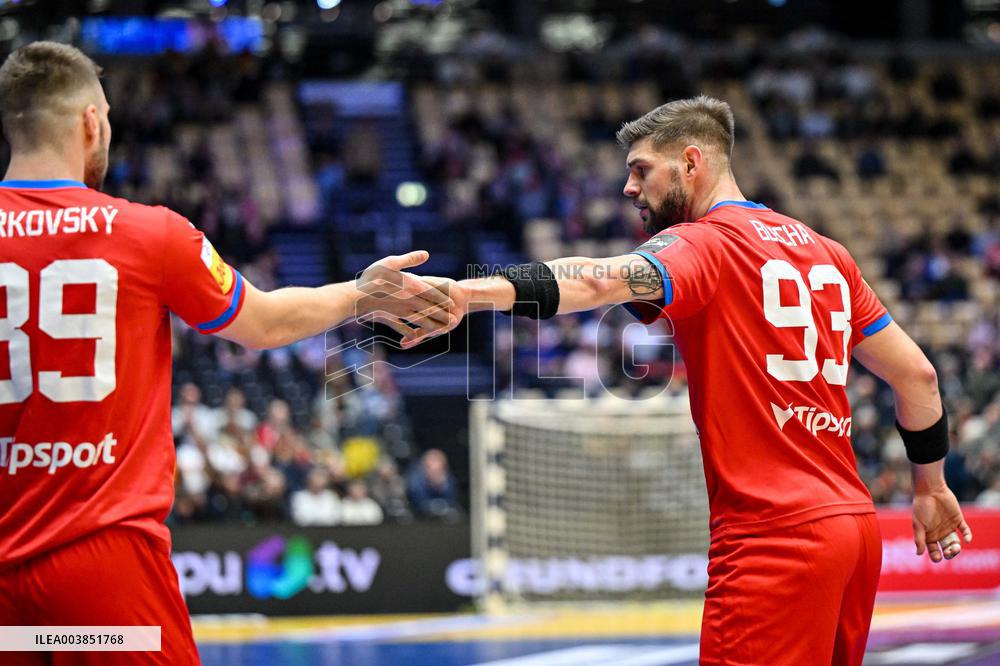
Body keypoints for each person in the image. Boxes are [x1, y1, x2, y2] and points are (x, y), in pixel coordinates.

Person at [422, 96, 972, 665]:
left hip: (774, 538)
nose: (629, 189)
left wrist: (468, 293)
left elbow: (593, 281)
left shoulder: (705, 241)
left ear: (691, 162)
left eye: (641, 170)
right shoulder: (828, 253)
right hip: (854, 531)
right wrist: (930, 487)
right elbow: (919, 376)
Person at [0, 42, 454, 665]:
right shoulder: (149, 233)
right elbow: (264, 324)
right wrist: (361, 294)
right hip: (103, 566)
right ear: (91, 121)